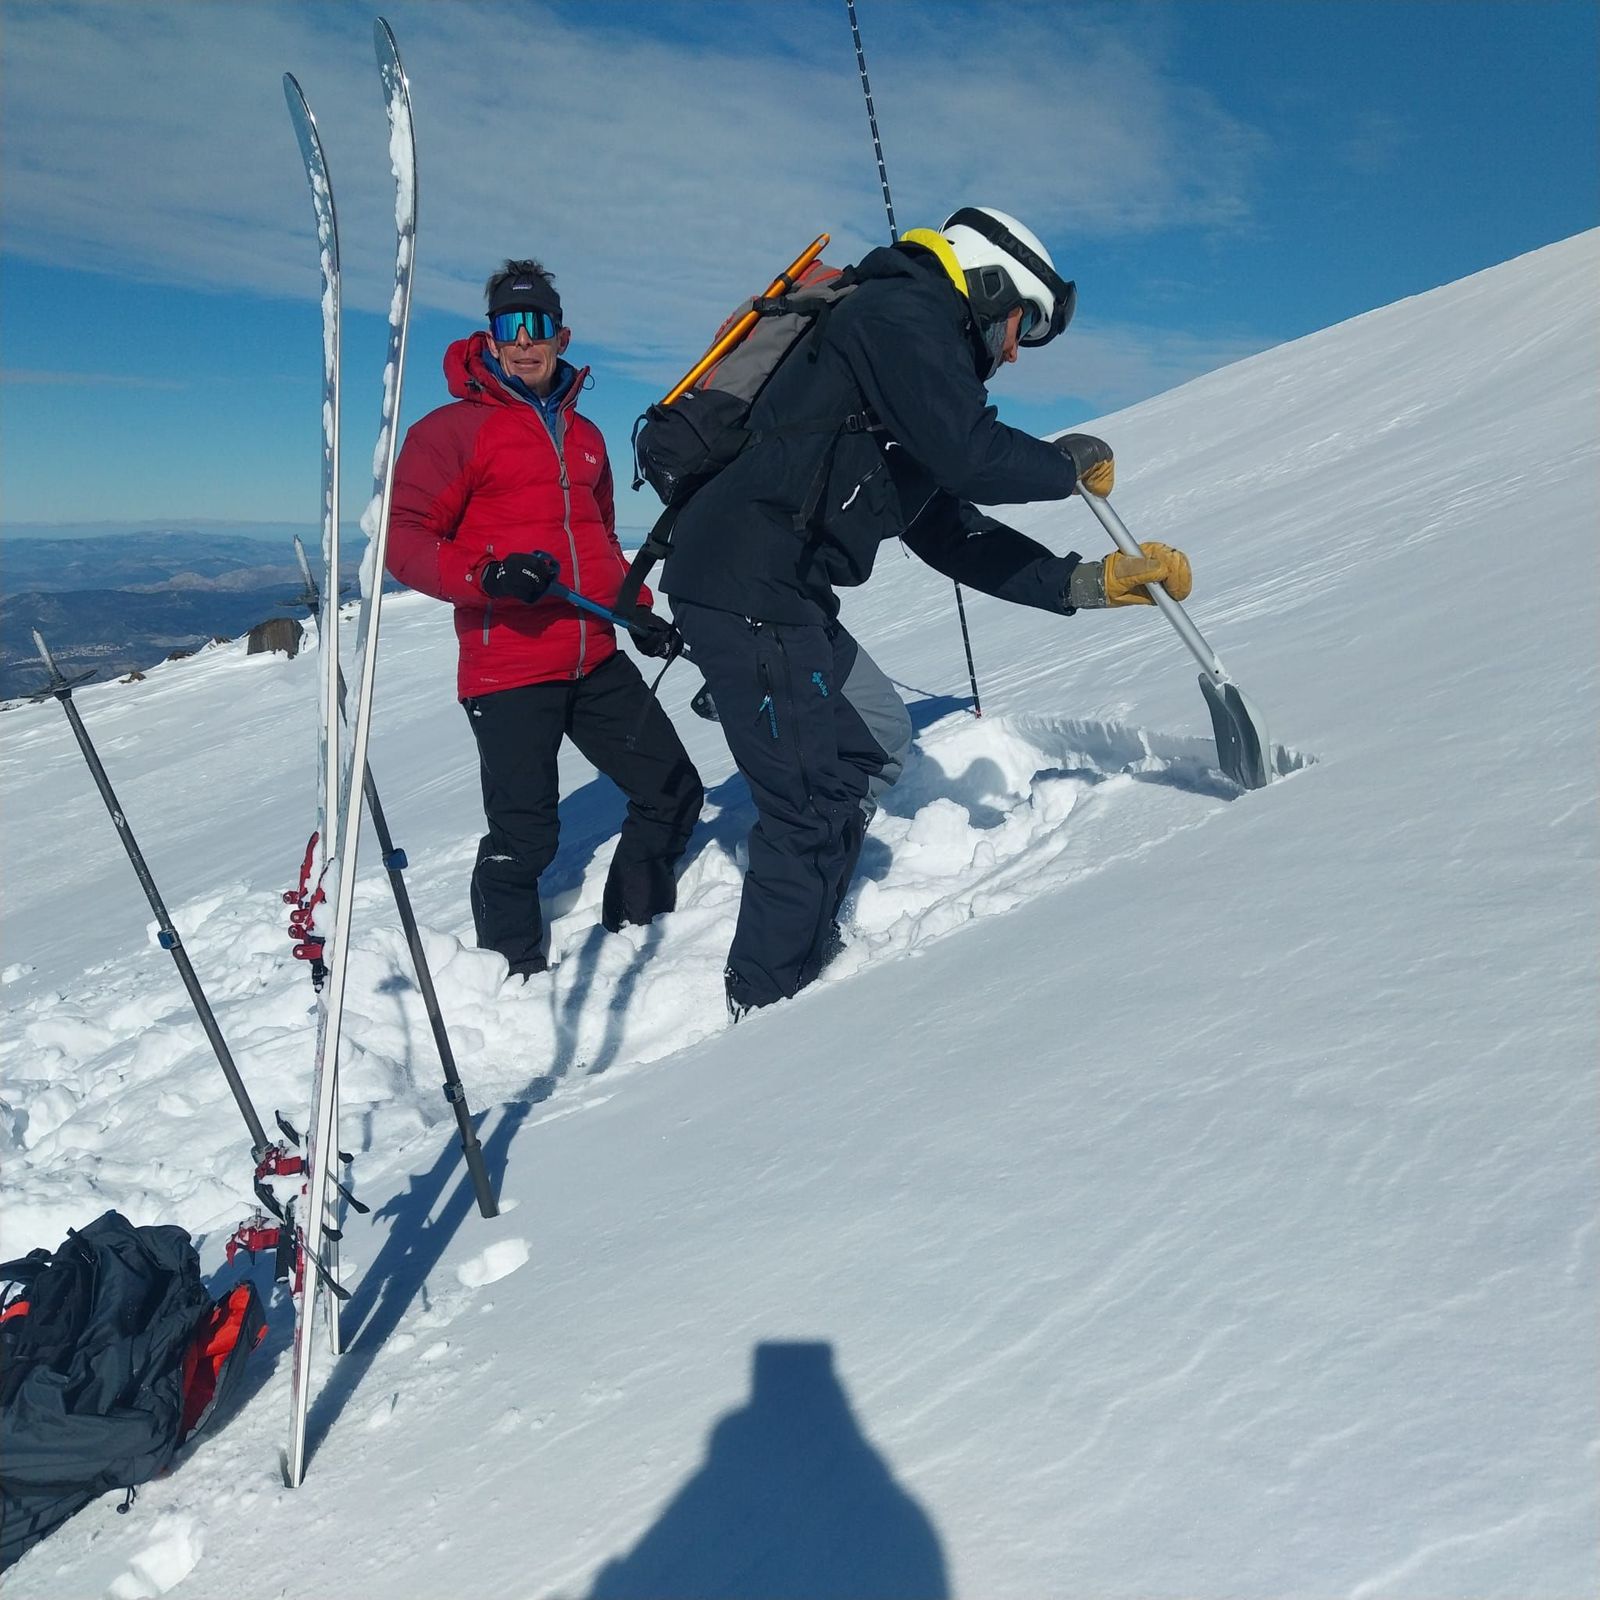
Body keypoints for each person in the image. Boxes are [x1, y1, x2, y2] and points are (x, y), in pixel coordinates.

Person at [661, 206, 1192, 1017]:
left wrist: (1083, 582)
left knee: (873, 738)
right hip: (749, 589)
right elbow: (970, 456)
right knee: (808, 809)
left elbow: (947, 527)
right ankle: (769, 1007)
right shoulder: (899, 313)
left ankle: (808, 925)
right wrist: (1062, 468)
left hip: (779, 590)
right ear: (991, 285)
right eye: (1024, 325)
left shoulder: (907, 369)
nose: (1015, 351)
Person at [388, 258, 703, 979]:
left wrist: (638, 611)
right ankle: (511, 970)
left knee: (671, 789)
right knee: (525, 838)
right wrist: (487, 575)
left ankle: (635, 926)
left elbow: (597, 540)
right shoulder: (452, 431)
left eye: (538, 325)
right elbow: (402, 541)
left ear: (561, 336)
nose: (524, 341)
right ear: (491, 336)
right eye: (510, 325)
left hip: (593, 656)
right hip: (508, 670)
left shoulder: (585, 435)